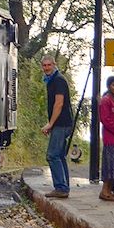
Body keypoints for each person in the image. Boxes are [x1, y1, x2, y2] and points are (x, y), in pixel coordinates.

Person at [41, 55, 73, 198]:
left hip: (61, 123)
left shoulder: (58, 80)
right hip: (62, 123)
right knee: (60, 155)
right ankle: (64, 186)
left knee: (52, 155)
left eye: (49, 65)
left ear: (54, 64)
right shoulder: (52, 80)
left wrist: (50, 124)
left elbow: (59, 103)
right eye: (44, 65)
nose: (47, 68)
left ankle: (61, 187)